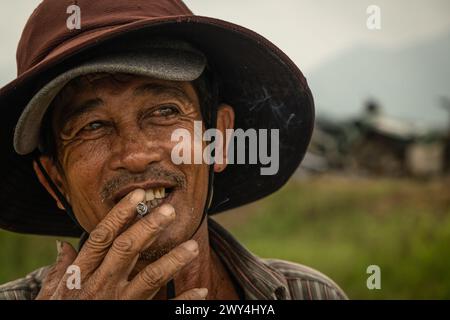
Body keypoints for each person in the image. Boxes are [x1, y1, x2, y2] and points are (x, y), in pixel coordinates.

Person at [0, 0, 347, 300]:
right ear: (55, 180)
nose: (135, 155)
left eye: (165, 111)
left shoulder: (311, 293)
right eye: (92, 126)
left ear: (219, 139)